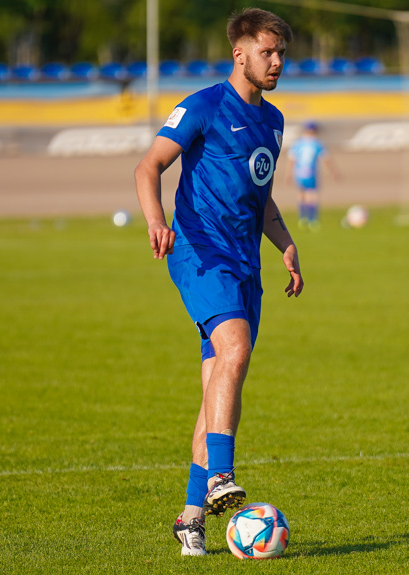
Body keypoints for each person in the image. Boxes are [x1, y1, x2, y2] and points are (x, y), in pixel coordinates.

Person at [133, 8, 301, 558]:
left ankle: (189, 519)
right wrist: (157, 221)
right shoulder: (204, 105)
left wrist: (286, 244)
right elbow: (149, 166)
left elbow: (261, 195)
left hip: (246, 265)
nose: (276, 62)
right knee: (234, 347)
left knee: (220, 386)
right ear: (240, 53)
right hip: (201, 254)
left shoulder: (272, 121)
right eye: (267, 52)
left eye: (281, 54)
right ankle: (220, 477)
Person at [287, 121, 338, 231]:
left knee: (301, 195)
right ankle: (312, 220)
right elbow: (326, 159)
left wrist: (289, 174)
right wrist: (334, 172)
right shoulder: (316, 143)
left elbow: (291, 159)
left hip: (299, 172)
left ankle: (302, 218)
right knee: (312, 195)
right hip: (310, 172)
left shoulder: (298, 143)